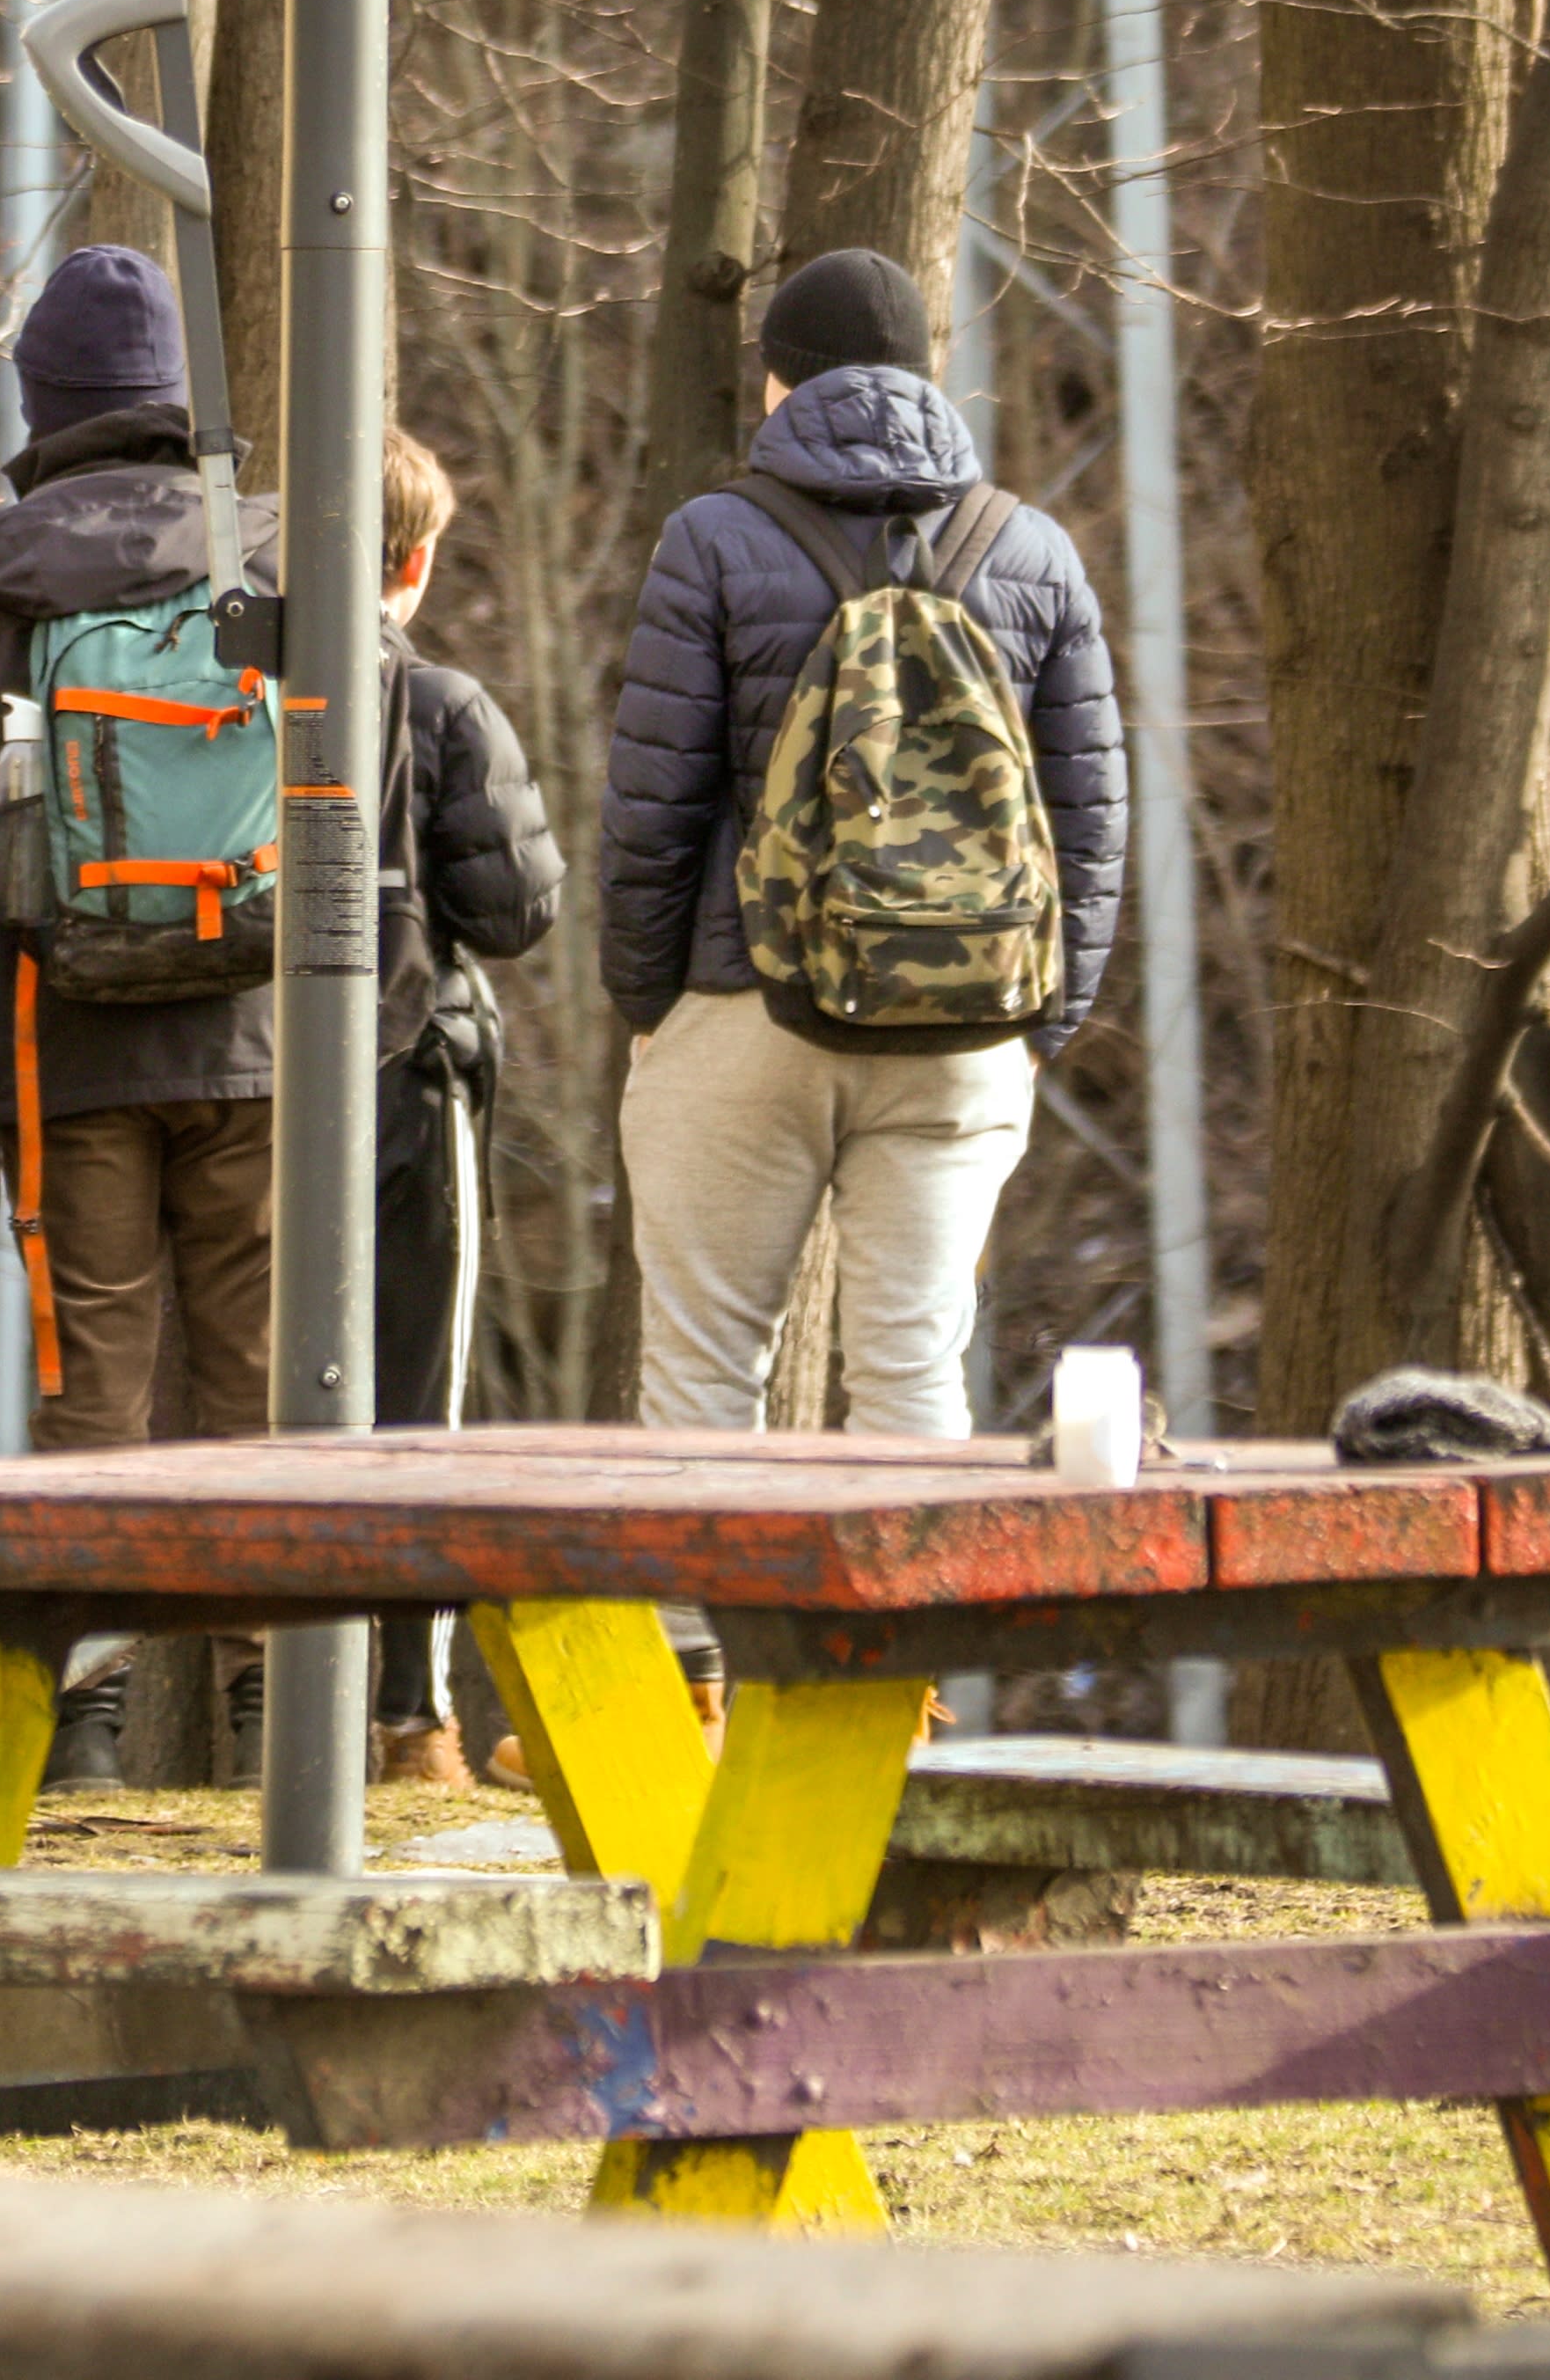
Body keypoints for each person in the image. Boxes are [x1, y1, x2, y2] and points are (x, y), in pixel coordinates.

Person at [601, 249, 1122, 1446]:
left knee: (702, 1384)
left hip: (746, 1003)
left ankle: (705, 1586)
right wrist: (1043, 1021)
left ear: (778, 381)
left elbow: (653, 801)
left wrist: (651, 1000)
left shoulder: (713, 538)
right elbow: (1090, 815)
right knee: (913, 1375)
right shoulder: (1032, 550)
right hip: (965, 1022)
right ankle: (905, 1584)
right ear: (930, 373)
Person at [0, 244, 281, 1790]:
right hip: (255, 1028)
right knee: (258, 1374)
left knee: (91, 1376)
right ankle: (267, 1716)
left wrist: (6, 945)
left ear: (43, 402)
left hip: (62, 1037)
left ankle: (92, 1727)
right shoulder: (268, 548)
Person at [365, 428, 562, 1783]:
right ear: (419, 560)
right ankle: (411, 1717)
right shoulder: (438, 704)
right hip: (407, 1074)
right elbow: (516, 910)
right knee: (414, 1384)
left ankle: (255, 1700)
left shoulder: (231, 679)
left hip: (237, 1080)